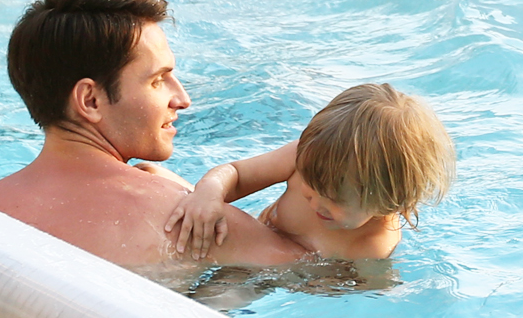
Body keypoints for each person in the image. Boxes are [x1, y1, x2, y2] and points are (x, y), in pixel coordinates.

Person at [0, 0, 308, 270]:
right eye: (158, 80)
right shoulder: (187, 222)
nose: (183, 98)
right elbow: (334, 275)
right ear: (90, 100)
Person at [164, 83, 455, 261]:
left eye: (334, 198)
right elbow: (235, 173)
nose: (315, 202)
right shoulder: (304, 157)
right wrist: (209, 192)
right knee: (154, 177)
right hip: (255, 235)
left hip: (273, 273)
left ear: (388, 202)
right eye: (310, 186)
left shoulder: (373, 246)